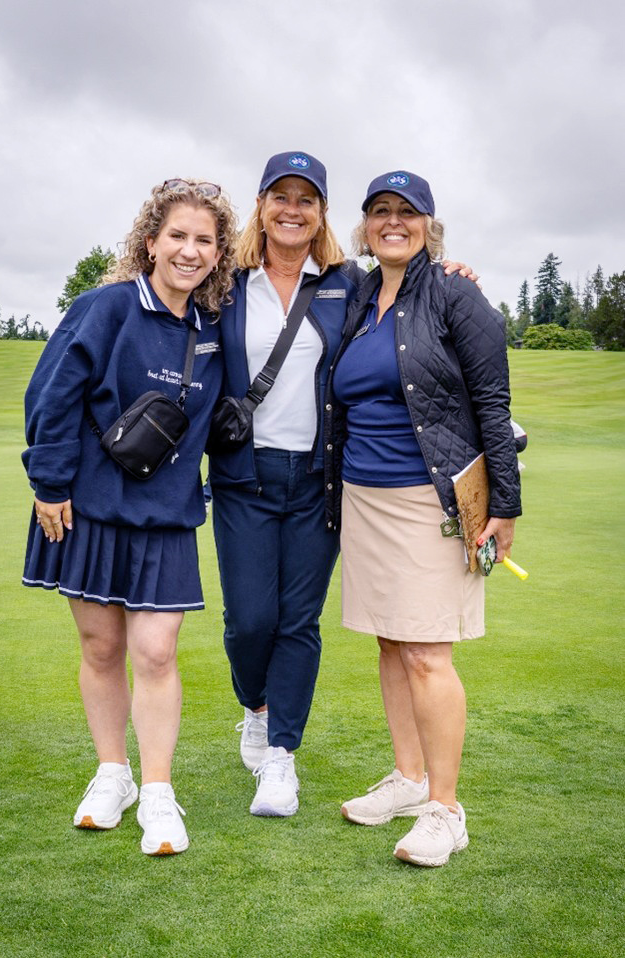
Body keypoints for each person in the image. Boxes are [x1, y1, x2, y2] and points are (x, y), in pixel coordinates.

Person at [209, 152, 476, 818]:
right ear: (262, 205)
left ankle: (281, 760)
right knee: (249, 622)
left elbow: (405, 293)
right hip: (243, 475)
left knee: (297, 622)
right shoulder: (227, 283)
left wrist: (451, 273)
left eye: (307, 198)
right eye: (281, 196)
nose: (293, 209)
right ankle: (256, 707)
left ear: (322, 213)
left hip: (320, 481)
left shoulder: (346, 283)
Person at [21, 179, 237, 856]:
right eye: (177, 235)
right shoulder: (105, 307)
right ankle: (112, 774)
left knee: (156, 650)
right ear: (150, 241)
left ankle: (159, 792)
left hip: (167, 515)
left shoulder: (215, 329)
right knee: (102, 648)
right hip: (86, 507)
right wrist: (50, 482)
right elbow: (51, 394)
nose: (189, 250)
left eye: (204, 240)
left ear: (219, 254)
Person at [328, 170, 521, 866]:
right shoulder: (353, 294)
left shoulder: (453, 292)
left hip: (430, 500)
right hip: (363, 497)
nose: (392, 222)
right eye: (380, 211)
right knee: (389, 642)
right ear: (364, 225)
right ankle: (408, 781)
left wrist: (504, 505)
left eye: (407, 213)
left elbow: (492, 406)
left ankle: (445, 809)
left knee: (426, 653)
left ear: (429, 225)